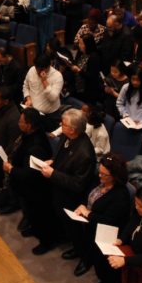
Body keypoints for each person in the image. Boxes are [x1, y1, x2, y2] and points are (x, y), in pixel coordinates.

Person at [35, 109, 97, 255]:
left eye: (63, 124)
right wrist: (53, 161)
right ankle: (62, 237)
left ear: (72, 129)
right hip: (58, 188)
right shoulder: (67, 136)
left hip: (70, 197)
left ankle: (80, 252)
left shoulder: (85, 154)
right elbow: (61, 155)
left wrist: (53, 174)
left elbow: (78, 184)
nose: (60, 125)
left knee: (73, 227)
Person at [65, 154, 132, 279]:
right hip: (90, 223)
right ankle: (83, 255)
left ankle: (89, 263)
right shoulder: (100, 180)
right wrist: (83, 207)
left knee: (102, 266)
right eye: (99, 172)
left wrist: (87, 213)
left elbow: (108, 221)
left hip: (105, 233)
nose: (100, 175)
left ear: (114, 176)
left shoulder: (120, 195)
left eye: (104, 174)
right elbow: (88, 195)